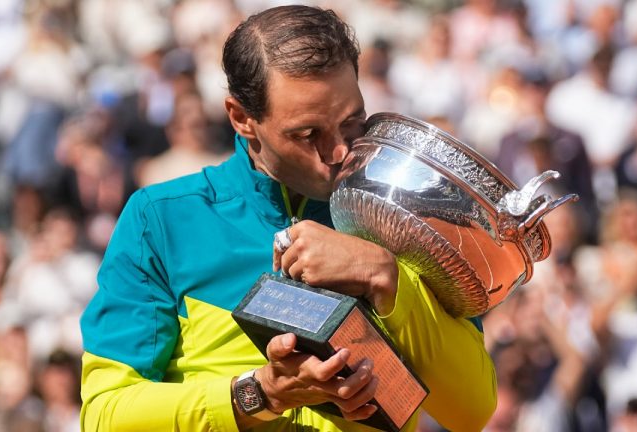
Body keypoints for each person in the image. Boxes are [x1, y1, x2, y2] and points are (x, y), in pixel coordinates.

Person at [80, 5, 496, 431]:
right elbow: (105, 415)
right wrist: (260, 394)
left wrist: (385, 276)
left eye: (352, 122)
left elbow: (472, 411)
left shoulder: (407, 216)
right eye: (307, 134)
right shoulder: (161, 219)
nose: (338, 153)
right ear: (242, 118)